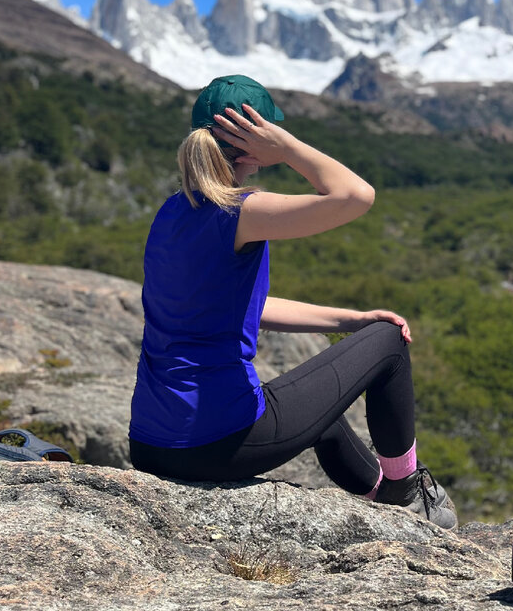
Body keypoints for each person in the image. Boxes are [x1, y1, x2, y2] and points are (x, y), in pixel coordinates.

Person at [128, 74, 457, 529]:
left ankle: (383, 497)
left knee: (318, 404)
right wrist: (286, 147)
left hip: (150, 443)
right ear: (254, 142)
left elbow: (247, 305)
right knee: (388, 340)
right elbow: (356, 196)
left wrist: (352, 319)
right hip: (217, 441)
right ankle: (406, 486)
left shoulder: (172, 211)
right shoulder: (241, 209)